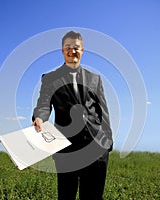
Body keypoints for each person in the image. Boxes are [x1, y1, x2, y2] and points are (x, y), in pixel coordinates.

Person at [32, 31, 113, 200]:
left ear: (82, 50)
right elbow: (44, 104)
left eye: (76, 47)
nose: (72, 50)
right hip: (66, 150)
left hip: (96, 148)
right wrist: (39, 118)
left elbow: (103, 111)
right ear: (62, 50)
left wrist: (107, 142)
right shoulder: (50, 78)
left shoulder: (95, 79)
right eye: (68, 47)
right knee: (66, 196)